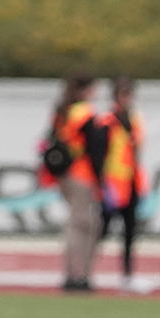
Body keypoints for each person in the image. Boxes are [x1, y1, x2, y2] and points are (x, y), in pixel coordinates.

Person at [40, 72, 108, 291]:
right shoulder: (85, 113)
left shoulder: (62, 110)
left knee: (78, 222)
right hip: (82, 174)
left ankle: (74, 272)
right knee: (82, 224)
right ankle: (78, 275)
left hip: (64, 176)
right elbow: (95, 150)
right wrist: (101, 179)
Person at [98, 74, 151, 293]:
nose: (126, 98)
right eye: (123, 93)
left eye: (129, 93)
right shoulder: (105, 121)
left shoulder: (135, 119)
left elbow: (137, 150)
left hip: (131, 182)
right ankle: (87, 270)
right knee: (103, 229)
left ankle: (127, 275)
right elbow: (99, 154)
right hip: (111, 184)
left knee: (130, 232)